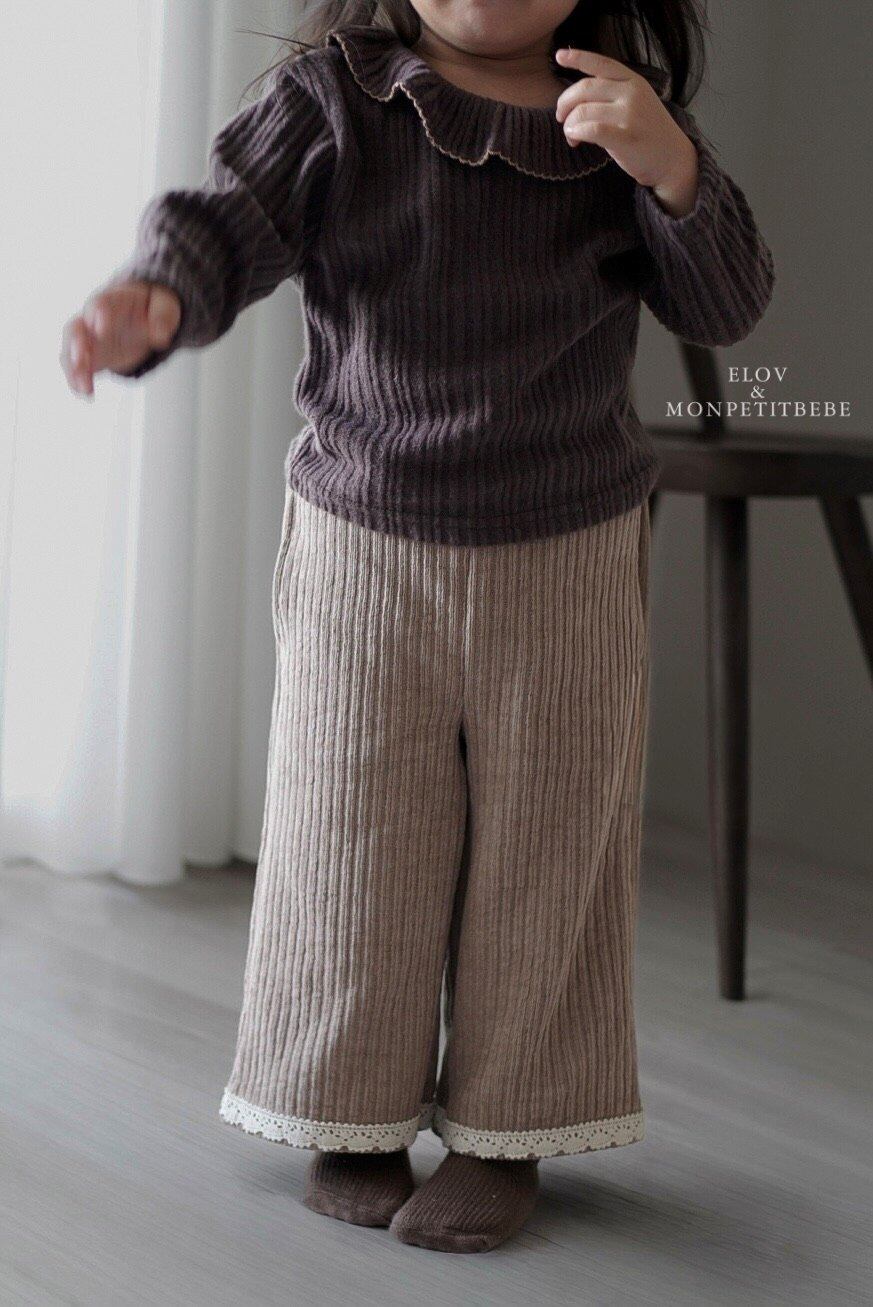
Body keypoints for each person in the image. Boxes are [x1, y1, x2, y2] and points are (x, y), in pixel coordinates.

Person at [60, 0, 774, 1255]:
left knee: (549, 844)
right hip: (366, 542)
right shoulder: (336, 100)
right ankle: (352, 1111)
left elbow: (726, 306)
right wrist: (156, 295)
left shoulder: (616, 113)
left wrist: (674, 170)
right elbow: (223, 222)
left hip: (567, 547)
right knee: (353, 829)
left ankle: (508, 1130)